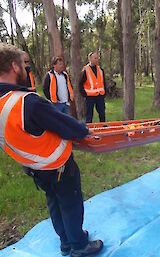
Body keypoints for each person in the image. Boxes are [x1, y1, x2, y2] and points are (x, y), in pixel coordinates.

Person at [0, 43, 103, 257]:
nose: (26, 69)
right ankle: (79, 245)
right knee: (70, 203)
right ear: (13, 66)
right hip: (57, 166)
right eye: (23, 64)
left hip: (34, 167)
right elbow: (68, 126)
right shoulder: (27, 102)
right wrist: (82, 129)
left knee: (54, 204)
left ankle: (66, 242)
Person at [79, 52, 106, 123]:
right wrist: (85, 94)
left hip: (100, 96)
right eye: (95, 58)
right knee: (89, 115)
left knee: (102, 114)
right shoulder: (85, 70)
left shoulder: (100, 70)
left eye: (97, 58)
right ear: (90, 59)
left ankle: (103, 128)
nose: (97, 60)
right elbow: (80, 84)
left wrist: (104, 93)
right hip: (90, 97)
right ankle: (88, 129)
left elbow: (104, 82)